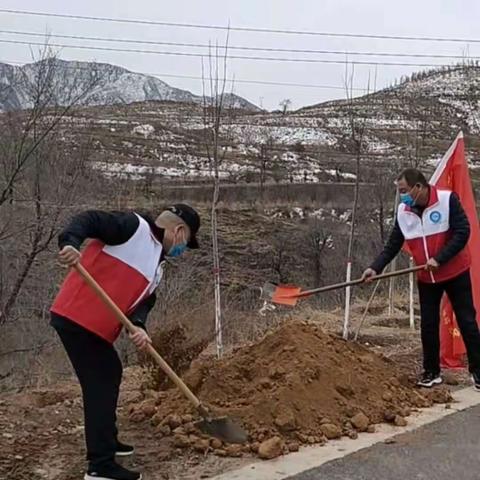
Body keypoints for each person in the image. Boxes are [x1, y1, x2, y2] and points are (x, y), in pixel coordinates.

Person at [50, 205, 200, 480]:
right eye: (186, 242)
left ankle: (106, 442)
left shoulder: (157, 264)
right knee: (102, 380)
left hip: (94, 327)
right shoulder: (133, 228)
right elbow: (89, 219)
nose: (183, 249)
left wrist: (140, 327)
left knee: (110, 373)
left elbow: (143, 304)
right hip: (77, 316)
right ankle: (100, 466)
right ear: (179, 231)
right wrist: (70, 242)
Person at [362, 168, 480, 390]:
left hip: (455, 271)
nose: (402, 196)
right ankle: (432, 372)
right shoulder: (403, 211)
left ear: (419, 187)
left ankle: (478, 370)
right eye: (399, 192)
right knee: (428, 325)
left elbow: (463, 231)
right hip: (427, 277)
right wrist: (375, 268)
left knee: (466, 320)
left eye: (404, 190)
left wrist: (440, 258)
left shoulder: (446, 200)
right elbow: (393, 245)